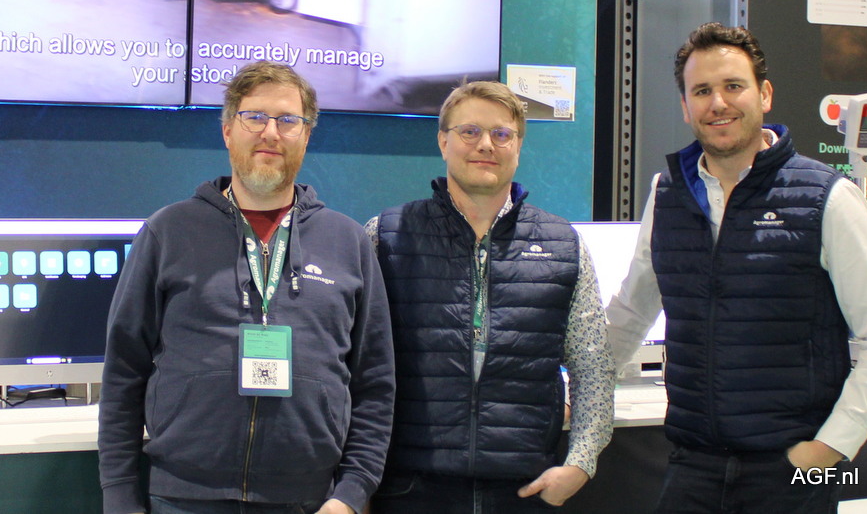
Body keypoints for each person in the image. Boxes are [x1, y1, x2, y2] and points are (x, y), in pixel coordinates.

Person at [607, 22, 867, 513]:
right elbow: (631, 311)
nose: (718, 103)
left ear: (765, 94)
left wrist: (829, 448)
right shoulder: (667, 194)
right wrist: (578, 389)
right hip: (693, 462)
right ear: (685, 106)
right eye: (702, 91)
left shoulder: (828, 198)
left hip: (793, 468)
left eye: (733, 86)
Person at [98, 60, 396, 514]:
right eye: (254, 117)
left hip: (309, 500)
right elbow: (124, 370)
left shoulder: (348, 241)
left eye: (288, 120)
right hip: (184, 497)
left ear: (306, 135)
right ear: (227, 131)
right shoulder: (168, 232)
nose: (270, 133)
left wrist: (352, 494)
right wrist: (120, 496)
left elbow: (375, 383)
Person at [367, 80, 615, 513]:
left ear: (518, 146)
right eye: (469, 131)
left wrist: (581, 462)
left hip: (524, 489)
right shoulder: (386, 237)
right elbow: (355, 369)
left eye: (501, 134)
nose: (485, 144)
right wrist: (358, 483)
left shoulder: (563, 245)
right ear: (443, 141)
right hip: (411, 488)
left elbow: (593, 365)